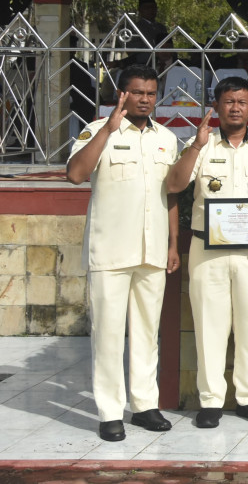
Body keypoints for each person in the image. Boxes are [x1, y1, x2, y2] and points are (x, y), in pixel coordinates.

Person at [167, 76, 248, 428]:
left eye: (242, 101)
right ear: (216, 106)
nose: (235, 107)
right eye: (228, 101)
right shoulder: (200, 143)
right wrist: (196, 147)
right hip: (209, 250)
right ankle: (210, 401)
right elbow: (174, 186)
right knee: (210, 326)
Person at [66, 65, 179, 442]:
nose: (145, 99)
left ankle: (145, 405)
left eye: (150, 93)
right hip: (111, 252)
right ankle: (110, 412)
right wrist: (109, 130)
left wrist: (173, 243)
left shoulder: (166, 138)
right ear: (122, 94)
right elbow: (76, 174)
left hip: (152, 250)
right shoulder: (98, 130)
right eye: (137, 92)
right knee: (109, 334)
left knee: (147, 333)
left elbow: (171, 196)